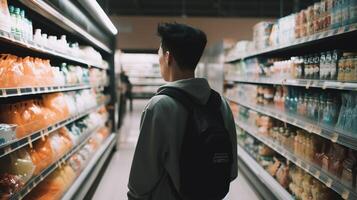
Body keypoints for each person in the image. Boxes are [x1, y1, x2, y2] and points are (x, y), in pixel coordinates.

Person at [128, 22, 238, 200]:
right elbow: (231, 172)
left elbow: (140, 182)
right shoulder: (221, 104)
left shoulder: (159, 106)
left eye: (159, 56)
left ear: (168, 57)